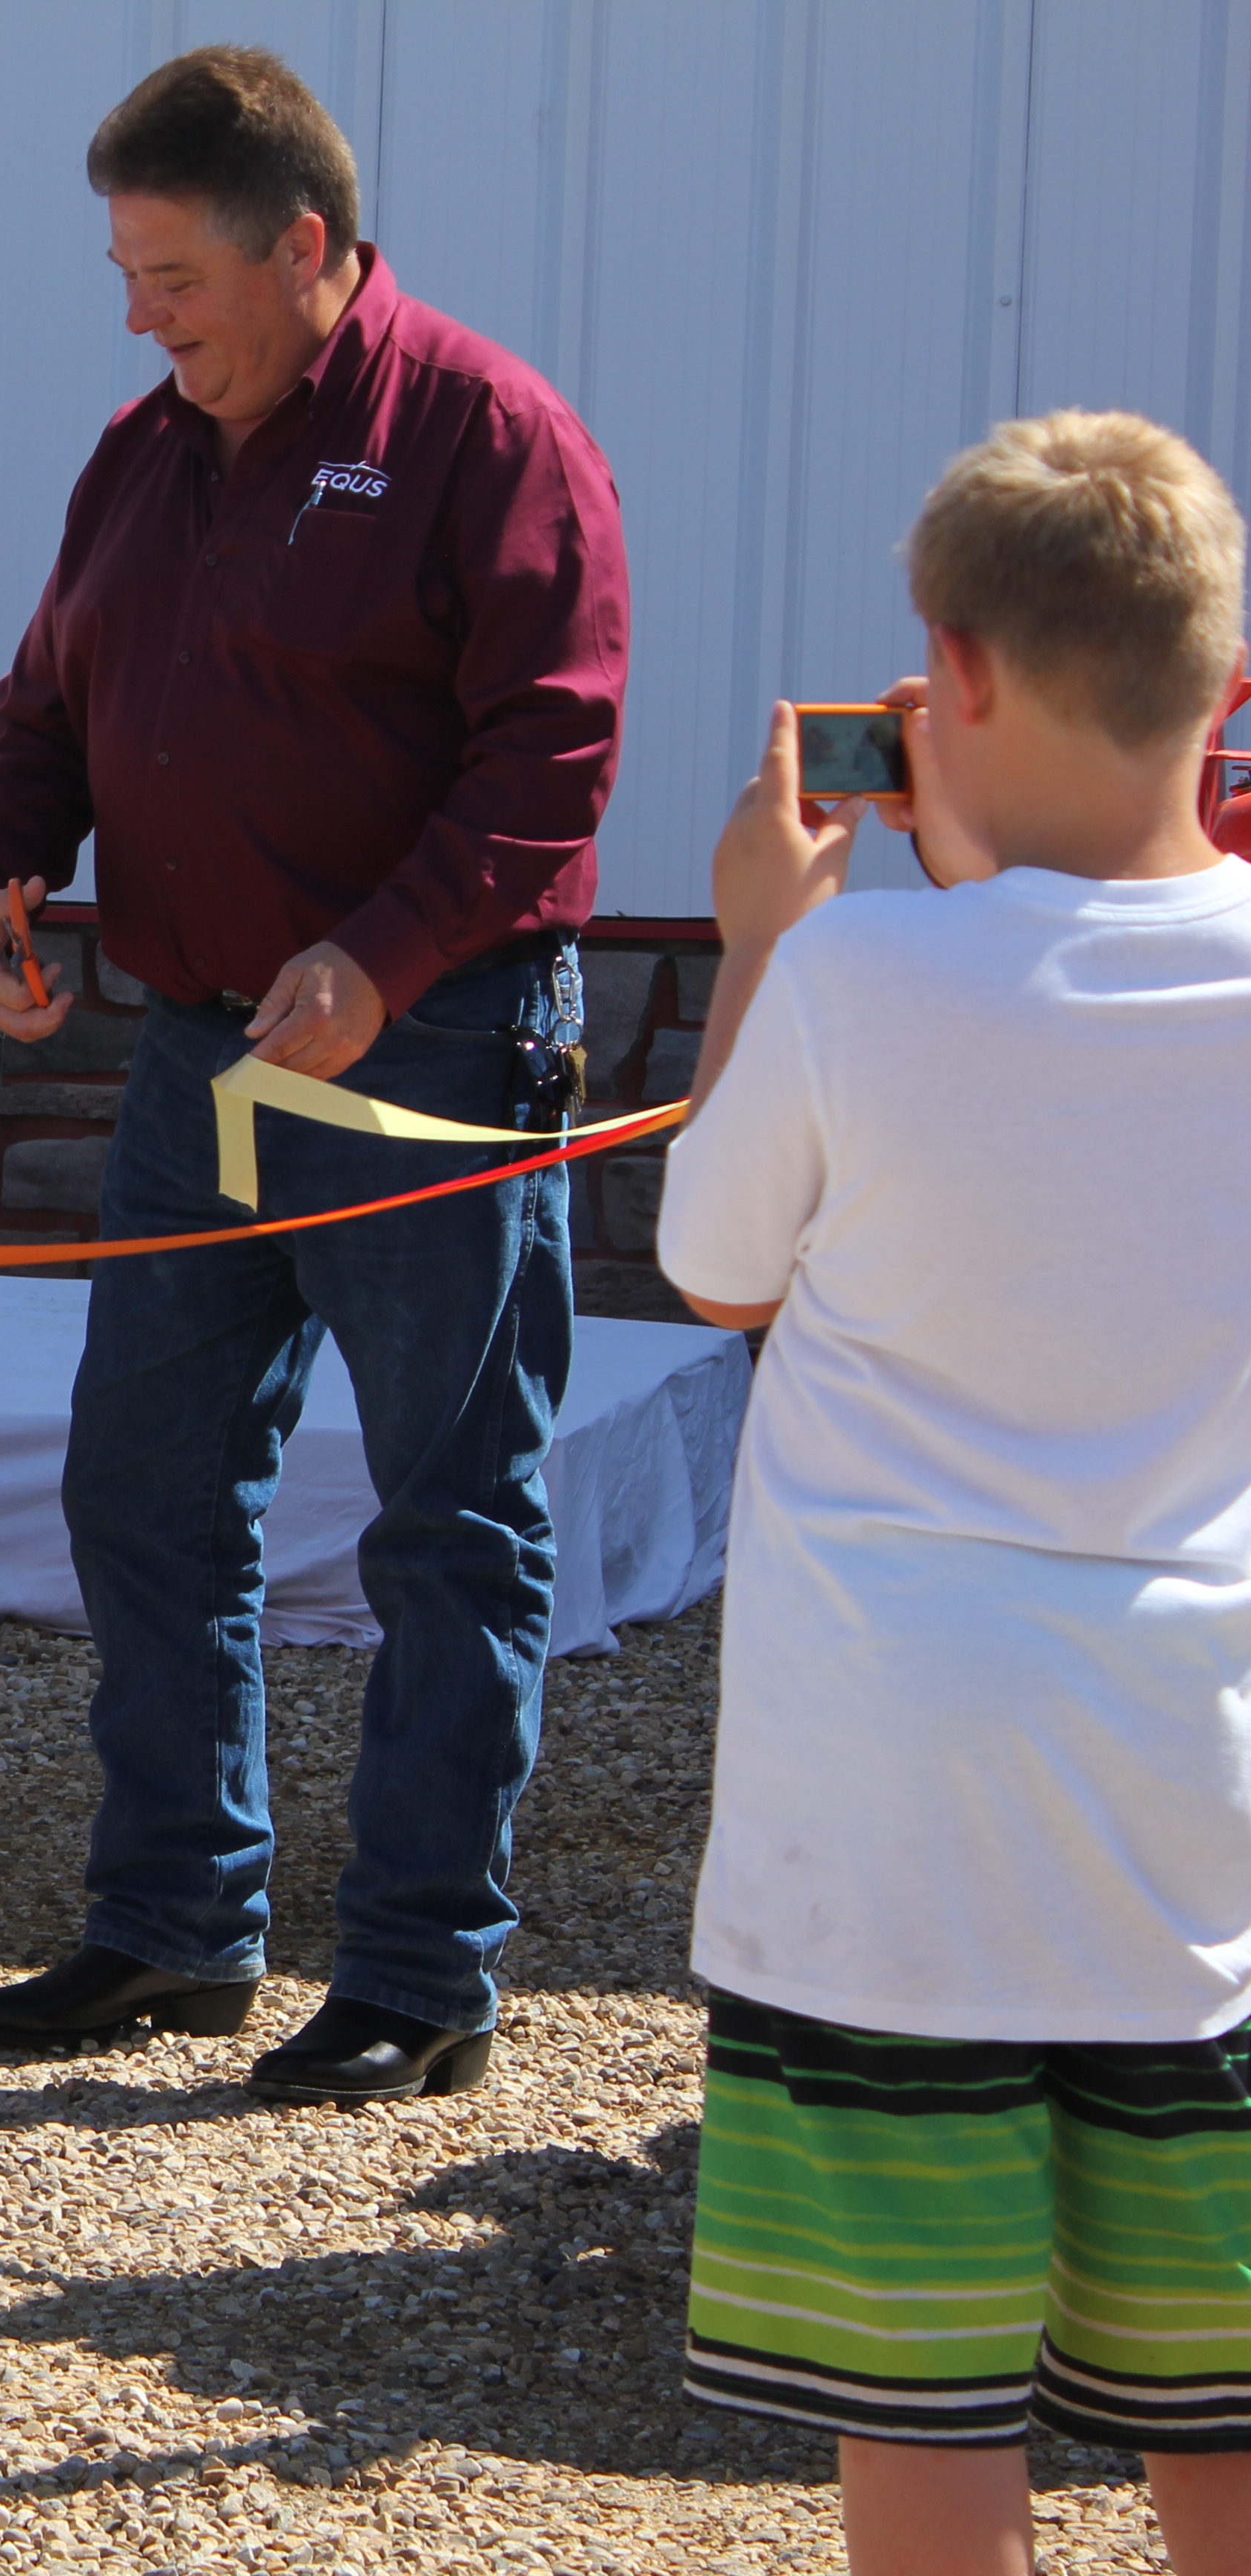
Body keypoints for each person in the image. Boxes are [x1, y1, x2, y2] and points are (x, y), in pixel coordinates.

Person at [0, 48, 628, 2101]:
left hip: (434, 1052)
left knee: (445, 1520)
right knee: (143, 1484)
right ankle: (174, 1923)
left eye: (171, 275)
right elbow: (48, 699)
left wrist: (382, 949)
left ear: (304, 245)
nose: (142, 316)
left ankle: (420, 1971)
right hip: (201, 1053)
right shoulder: (146, 453)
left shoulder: (491, 436)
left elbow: (553, 757)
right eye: (131, 276)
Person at [662, 414, 1251, 2576]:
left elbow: (716, 1270)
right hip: (1196, 1779)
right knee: (1222, 2384)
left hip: (888, 1796)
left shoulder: (856, 976)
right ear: (1223, 683)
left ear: (955, 677)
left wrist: (756, 943)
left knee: (917, 2404)